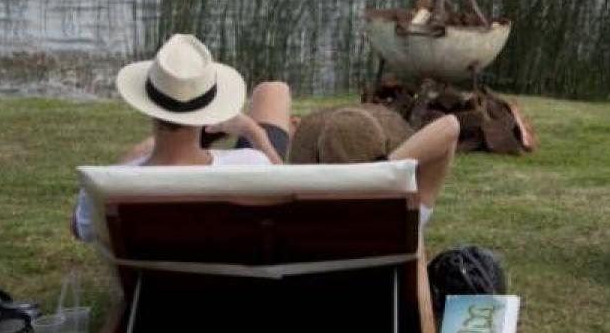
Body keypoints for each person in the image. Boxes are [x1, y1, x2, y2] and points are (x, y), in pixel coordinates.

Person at [72, 34, 459, 242]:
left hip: (162, 283)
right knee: (273, 92)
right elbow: (288, 187)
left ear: (149, 109)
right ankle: (248, 119)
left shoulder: (107, 187)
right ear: (206, 115)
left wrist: (144, 154)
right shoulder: (252, 168)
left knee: (270, 93)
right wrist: (256, 135)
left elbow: (80, 229)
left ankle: (184, 130)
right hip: (238, 184)